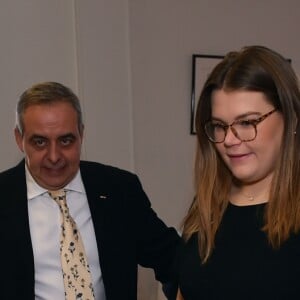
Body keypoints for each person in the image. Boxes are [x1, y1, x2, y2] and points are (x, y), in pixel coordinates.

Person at [0, 81, 181, 300]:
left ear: (81, 134)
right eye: (40, 142)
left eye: (66, 140)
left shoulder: (120, 189)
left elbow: (172, 258)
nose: (54, 156)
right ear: (20, 139)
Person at [176, 46, 300, 299]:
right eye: (219, 126)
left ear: (292, 118)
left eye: (247, 122)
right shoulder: (207, 208)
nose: (230, 140)